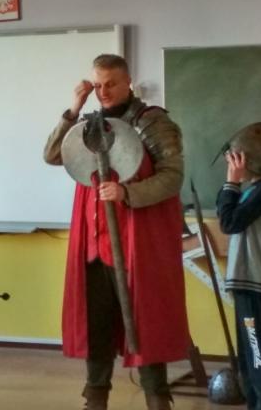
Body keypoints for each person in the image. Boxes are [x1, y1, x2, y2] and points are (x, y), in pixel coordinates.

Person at [43, 54, 190, 410]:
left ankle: (158, 400)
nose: (103, 92)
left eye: (110, 84)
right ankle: (95, 399)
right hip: (95, 244)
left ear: (128, 83)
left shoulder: (152, 122)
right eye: (97, 85)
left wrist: (127, 193)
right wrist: (74, 109)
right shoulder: (90, 124)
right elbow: (52, 154)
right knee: (96, 325)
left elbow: (172, 177)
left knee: (146, 322)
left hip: (138, 244)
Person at [216, 122, 261, 410]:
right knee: (250, 362)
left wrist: (231, 182)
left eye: (236, 158)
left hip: (256, 286)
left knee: (260, 360)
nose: (232, 164)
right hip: (248, 287)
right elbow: (227, 212)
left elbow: (229, 221)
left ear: (251, 159)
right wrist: (233, 186)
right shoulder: (256, 188)